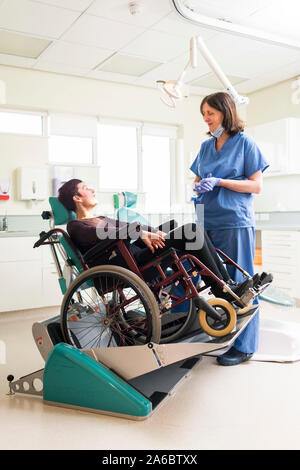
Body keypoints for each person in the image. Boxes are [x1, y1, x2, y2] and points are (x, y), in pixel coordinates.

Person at [57, 179, 257, 305]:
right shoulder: (75, 226)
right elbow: (101, 235)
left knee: (188, 230)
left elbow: (130, 226)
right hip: (128, 265)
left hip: (135, 256)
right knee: (192, 231)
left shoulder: (101, 217)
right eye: (85, 188)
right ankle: (223, 290)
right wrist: (139, 232)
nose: (91, 190)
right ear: (77, 198)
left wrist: (154, 233)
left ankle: (228, 285)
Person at [190, 91, 269, 366]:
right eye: (204, 114)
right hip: (207, 221)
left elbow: (256, 185)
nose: (206, 119)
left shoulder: (245, 143)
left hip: (234, 221)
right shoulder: (205, 147)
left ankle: (245, 347)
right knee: (216, 283)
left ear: (225, 112)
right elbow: (197, 180)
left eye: (210, 113)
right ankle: (221, 336)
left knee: (241, 284)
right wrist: (199, 186)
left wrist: (221, 182)